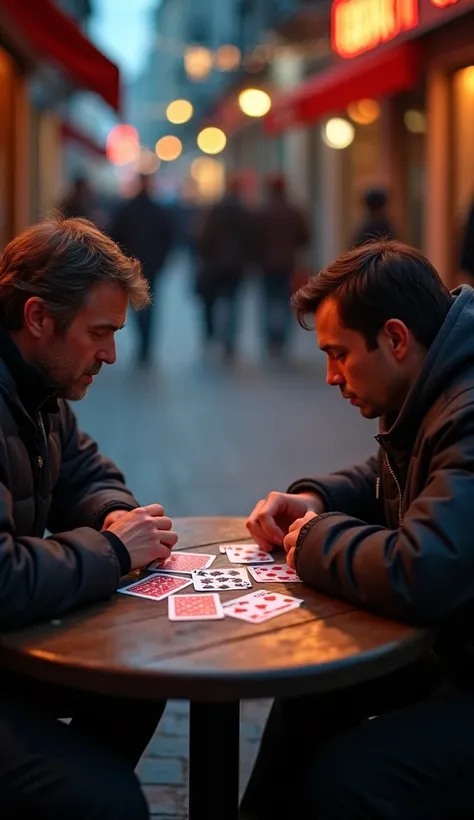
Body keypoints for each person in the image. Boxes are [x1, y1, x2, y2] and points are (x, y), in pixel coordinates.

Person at [242, 239, 474, 820]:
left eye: (338, 354)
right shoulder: (436, 383)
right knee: (311, 695)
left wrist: (315, 537)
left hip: (463, 660)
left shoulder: (467, 410)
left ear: (395, 339)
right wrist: (313, 497)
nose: (329, 376)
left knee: (348, 780)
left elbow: (424, 570)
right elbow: (392, 469)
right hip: (458, 645)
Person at [0, 215, 179, 819]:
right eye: (99, 332)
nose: (111, 354)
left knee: (140, 676)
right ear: (38, 319)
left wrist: (118, 516)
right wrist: (115, 552)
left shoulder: (39, 386)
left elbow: (85, 472)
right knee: (105, 800)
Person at [110, 174, 174, 366]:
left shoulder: (127, 209)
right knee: (149, 304)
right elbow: (168, 238)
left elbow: (115, 237)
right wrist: (162, 260)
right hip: (152, 265)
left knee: (136, 304)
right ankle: (146, 344)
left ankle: (142, 341)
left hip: (131, 265)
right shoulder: (159, 210)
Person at [195, 176, 254, 362]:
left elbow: (204, 237)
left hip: (216, 265)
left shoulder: (216, 211)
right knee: (234, 302)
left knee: (214, 302)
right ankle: (230, 340)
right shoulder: (244, 212)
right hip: (237, 266)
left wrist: (206, 258)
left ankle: (215, 335)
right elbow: (251, 240)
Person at [255, 175, 310, 358]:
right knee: (287, 301)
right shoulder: (294, 211)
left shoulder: (262, 212)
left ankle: (271, 339)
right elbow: (305, 237)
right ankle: (283, 339)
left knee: (269, 300)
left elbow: (254, 239)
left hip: (266, 264)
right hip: (288, 263)